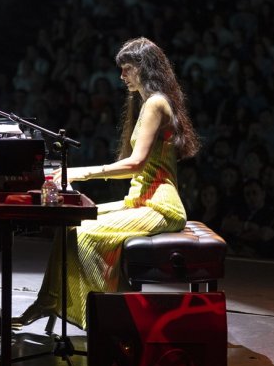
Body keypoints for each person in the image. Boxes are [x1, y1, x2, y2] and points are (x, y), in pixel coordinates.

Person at [12, 37, 200, 330]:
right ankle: (47, 302)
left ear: (143, 68)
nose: (121, 76)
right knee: (70, 225)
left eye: (126, 69)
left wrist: (78, 173)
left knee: (84, 236)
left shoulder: (155, 104)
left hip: (160, 207)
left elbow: (135, 165)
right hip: (140, 201)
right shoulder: (149, 103)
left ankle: (106, 320)